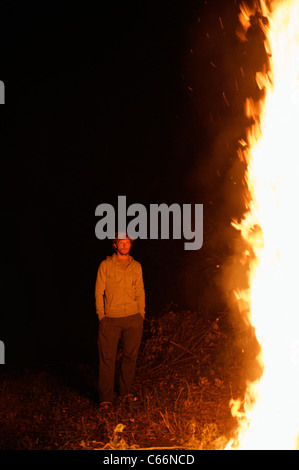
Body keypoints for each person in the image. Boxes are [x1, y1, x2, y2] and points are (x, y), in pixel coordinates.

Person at [95, 232, 145, 411]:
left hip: (133, 318)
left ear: (131, 245)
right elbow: (98, 291)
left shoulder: (136, 266)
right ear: (115, 245)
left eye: (127, 243)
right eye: (121, 243)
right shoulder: (105, 265)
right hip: (111, 320)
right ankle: (106, 399)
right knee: (107, 359)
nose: (124, 246)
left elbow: (140, 290)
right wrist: (102, 316)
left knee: (130, 358)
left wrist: (141, 313)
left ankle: (124, 393)